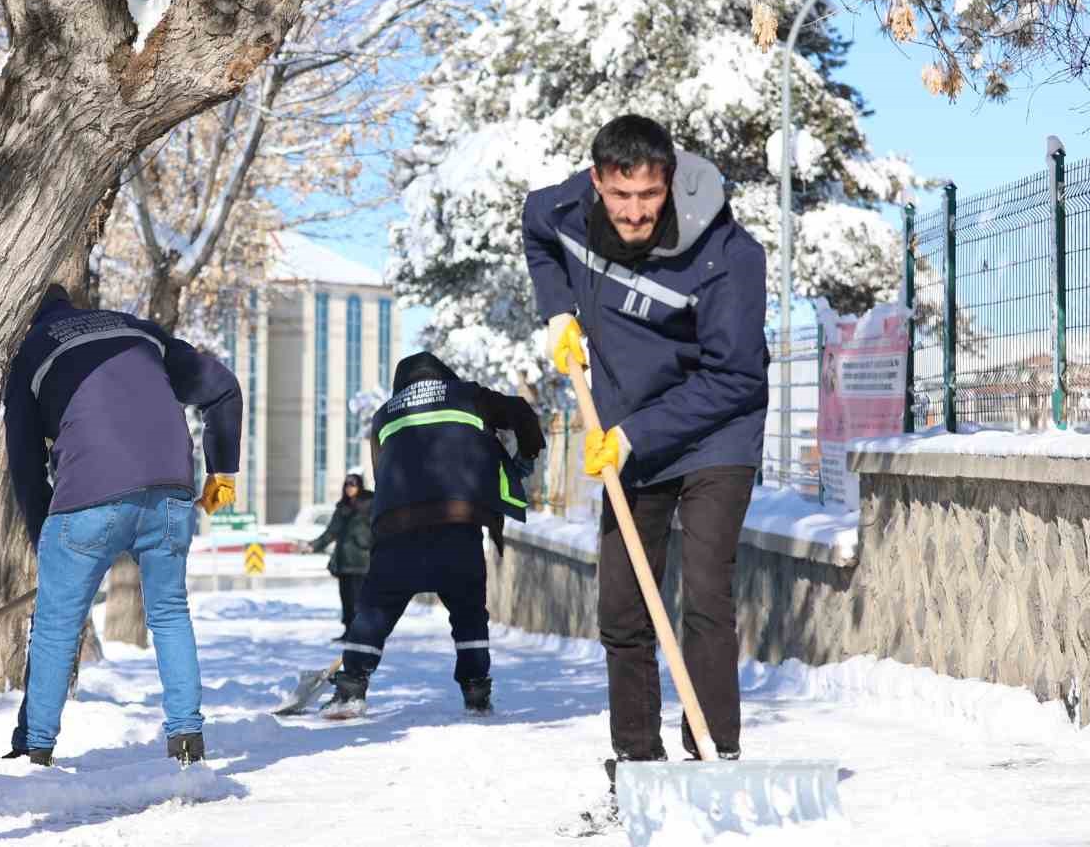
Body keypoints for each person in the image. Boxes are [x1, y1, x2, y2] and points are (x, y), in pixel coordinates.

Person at [522, 114, 769, 791]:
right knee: (623, 605)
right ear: (597, 182)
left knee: (706, 592)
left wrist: (632, 436)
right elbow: (534, 228)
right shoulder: (566, 209)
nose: (634, 213)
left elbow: (736, 378)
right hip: (626, 426)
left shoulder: (728, 256)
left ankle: (715, 754)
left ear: (669, 182)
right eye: (621, 195)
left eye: (650, 196)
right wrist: (558, 311)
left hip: (716, 430)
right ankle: (636, 761)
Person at [2, 285, 241, 768]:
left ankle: (35, 747)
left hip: (89, 495)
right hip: (171, 490)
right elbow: (223, 388)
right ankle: (187, 738)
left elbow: (25, 465)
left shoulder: (31, 351)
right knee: (170, 613)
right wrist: (222, 474)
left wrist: (43, 538)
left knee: (56, 625)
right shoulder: (137, 329)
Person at [318, 351, 545, 719]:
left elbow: (381, 473)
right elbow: (521, 411)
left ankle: (350, 689)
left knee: (373, 612)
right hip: (457, 525)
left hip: (397, 530)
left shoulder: (384, 414)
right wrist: (527, 455)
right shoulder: (469, 395)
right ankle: (476, 692)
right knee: (469, 612)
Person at [309, 473, 373, 641]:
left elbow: (377, 529)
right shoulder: (342, 507)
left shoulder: (370, 505)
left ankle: (361, 632)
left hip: (361, 562)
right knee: (347, 600)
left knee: (359, 599)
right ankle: (349, 630)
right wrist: (313, 545)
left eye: (353, 484)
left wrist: (363, 540)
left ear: (360, 486)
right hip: (343, 561)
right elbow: (331, 532)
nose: (349, 488)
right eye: (347, 485)